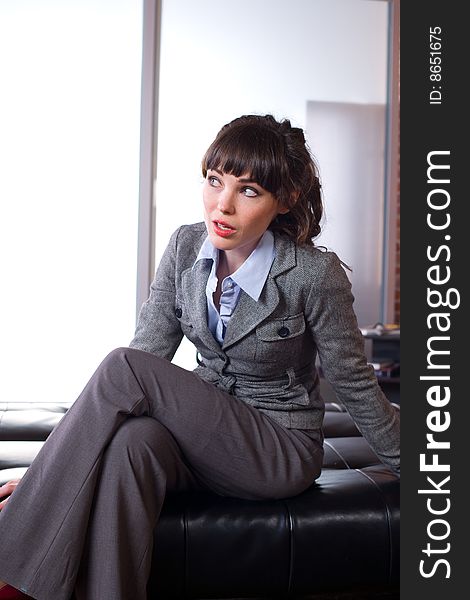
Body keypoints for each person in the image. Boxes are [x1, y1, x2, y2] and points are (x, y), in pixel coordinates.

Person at [0, 114, 400, 600]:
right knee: (134, 443)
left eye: (248, 191)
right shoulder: (186, 245)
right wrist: (65, 468)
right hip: (203, 438)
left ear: (285, 200)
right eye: (215, 181)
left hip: (276, 447)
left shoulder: (314, 274)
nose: (222, 205)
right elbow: (150, 349)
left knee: (121, 366)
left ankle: (8, 573)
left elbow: (355, 383)